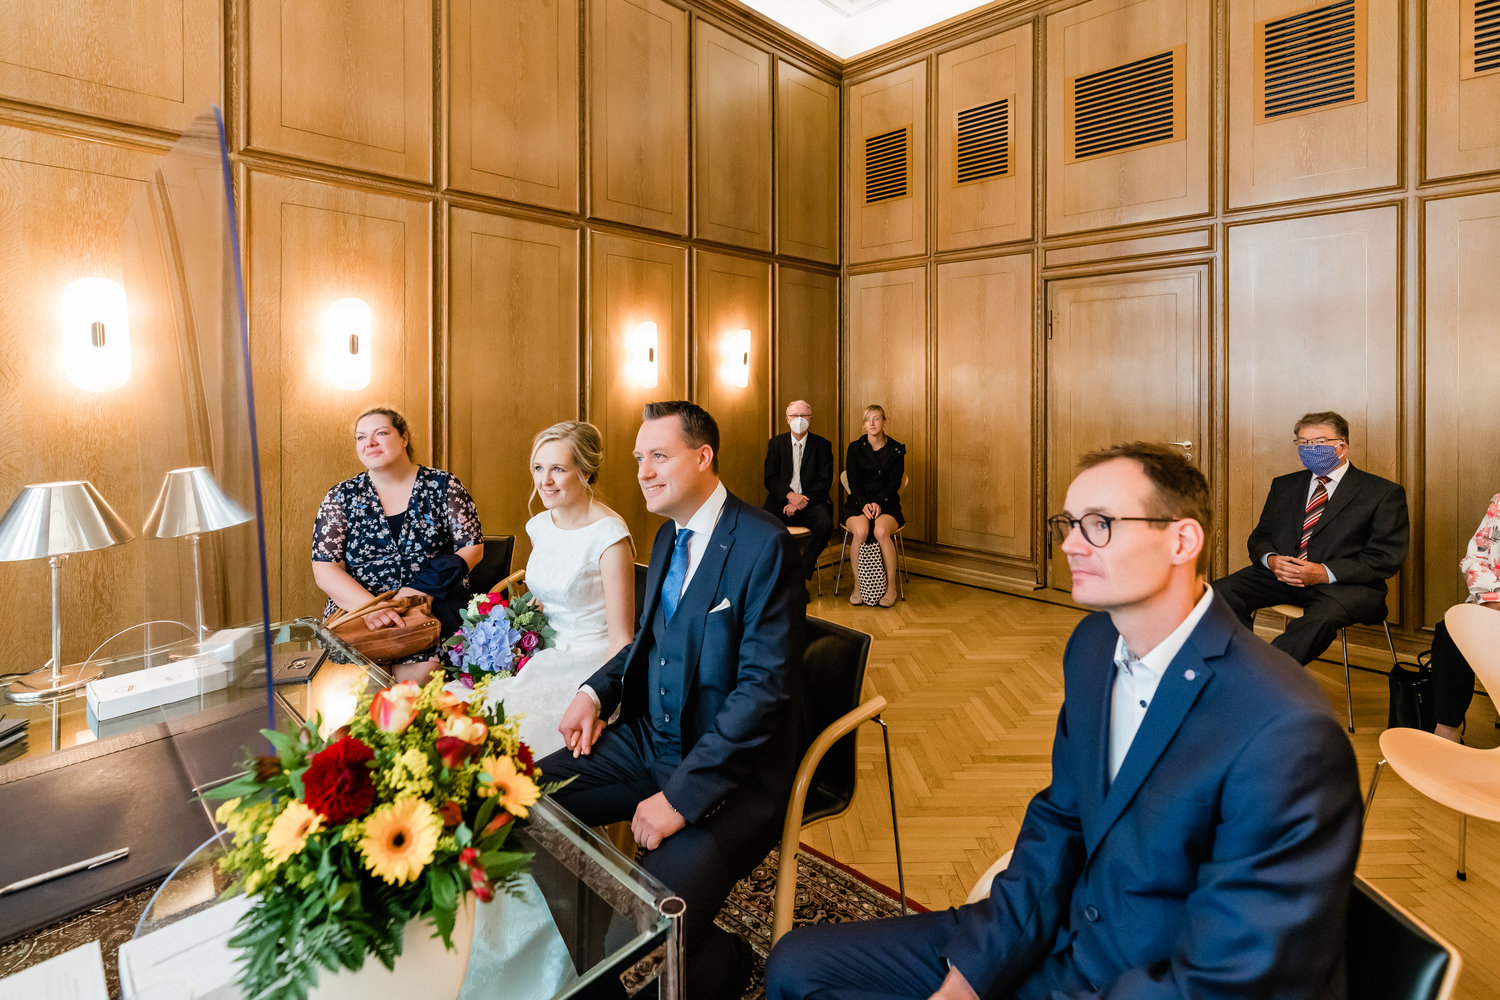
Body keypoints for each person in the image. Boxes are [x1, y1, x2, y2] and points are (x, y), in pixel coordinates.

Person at [766, 442, 1363, 1000]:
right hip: (1056, 935)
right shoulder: (1093, 644)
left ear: (1182, 541)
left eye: (1099, 525)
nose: (1072, 545)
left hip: (1148, 975)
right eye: (1068, 524)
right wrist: (974, 973)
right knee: (798, 965)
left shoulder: (1286, 729)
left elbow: (1232, 978)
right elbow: (1061, 819)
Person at [539, 400, 804, 1000]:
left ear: (703, 456)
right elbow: (648, 645)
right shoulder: (666, 538)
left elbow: (765, 691)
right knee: (525, 803)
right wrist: (594, 691)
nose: (644, 471)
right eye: (639, 459)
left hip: (724, 780)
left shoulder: (764, 545)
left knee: (644, 931)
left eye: (659, 455)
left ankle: (720, 963)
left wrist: (681, 799)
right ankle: (601, 959)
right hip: (644, 742)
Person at [475, 421, 635, 759]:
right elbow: (543, 598)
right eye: (538, 467)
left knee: (510, 740)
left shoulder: (610, 538)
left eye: (558, 469)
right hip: (543, 656)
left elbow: (623, 640)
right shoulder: (541, 525)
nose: (544, 481)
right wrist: (509, 639)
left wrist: (600, 700)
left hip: (589, 664)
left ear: (586, 472)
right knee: (471, 722)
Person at [1212, 410, 1409, 664]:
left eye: (1319, 442)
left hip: (1344, 586)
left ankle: (1267, 679)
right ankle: (1235, 665)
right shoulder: (1284, 485)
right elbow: (1260, 536)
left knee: (1318, 621)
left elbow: (1385, 558)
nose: (1309, 448)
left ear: (1342, 446)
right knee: (1218, 593)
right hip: (1280, 577)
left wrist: (1324, 572)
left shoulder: (1382, 493)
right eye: (1303, 442)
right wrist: (1271, 560)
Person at [312, 407, 483, 680]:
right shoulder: (340, 497)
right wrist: (372, 608)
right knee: (351, 685)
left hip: (430, 604)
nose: (369, 443)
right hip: (357, 609)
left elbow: (472, 547)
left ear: (404, 438)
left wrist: (422, 589)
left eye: (381, 433)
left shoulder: (443, 485)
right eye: (361, 437)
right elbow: (325, 568)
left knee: (416, 684)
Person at [1431, 493, 1500, 742]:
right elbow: (1475, 557)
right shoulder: (1499, 502)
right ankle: (1447, 728)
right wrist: (1494, 599)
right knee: (1450, 628)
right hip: (1491, 603)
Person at [763, 399, 835, 583]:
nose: (799, 419)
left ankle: (800, 575)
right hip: (781, 501)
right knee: (760, 524)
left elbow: (824, 481)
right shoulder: (776, 444)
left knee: (825, 524)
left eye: (804, 415)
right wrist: (789, 496)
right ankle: (771, 576)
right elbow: (770, 478)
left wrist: (800, 501)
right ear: (787, 419)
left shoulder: (823, 446)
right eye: (795, 415)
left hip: (811, 502)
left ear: (810, 418)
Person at [843, 404, 905, 607]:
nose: (871, 423)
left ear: (884, 421)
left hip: (887, 504)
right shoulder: (855, 447)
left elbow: (894, 483)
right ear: (864, 424)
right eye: (868, 419)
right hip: (858, 503)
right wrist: (863, 504)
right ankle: (858, 586)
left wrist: (879, 502)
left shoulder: (896, 449)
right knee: (860, 531)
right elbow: (852, 481)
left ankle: (891, 587)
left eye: (876, 418)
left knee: (880, 531)